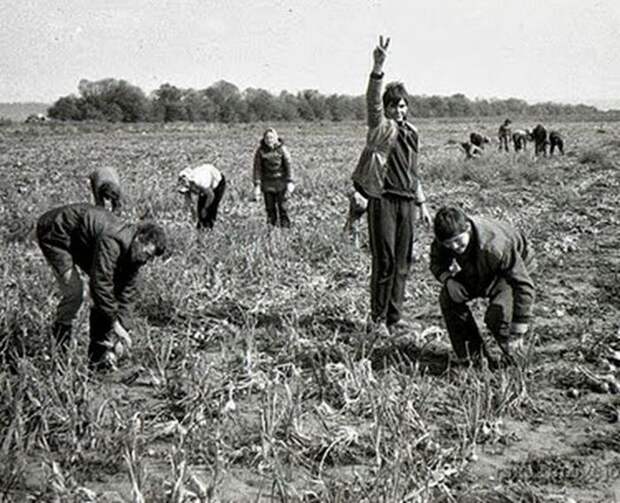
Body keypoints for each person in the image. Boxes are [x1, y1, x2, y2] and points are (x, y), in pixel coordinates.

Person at [351, 36, 432, 341]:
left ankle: (395, 318)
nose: (399, 110)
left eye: (402, 105)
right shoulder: (382, 128)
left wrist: (423, 204)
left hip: (407, 202)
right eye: (393, 106)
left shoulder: (413, 133)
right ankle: (377, 319)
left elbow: (414, 171)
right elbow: (371, 103)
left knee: (403, 261)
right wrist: (378, 67)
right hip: (383, 199)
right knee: (384, 260)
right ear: (386, 109)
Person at [36, 203, 167, 369]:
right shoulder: (112, 241)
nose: (146, 261)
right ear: (139, 239)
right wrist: (115, 326)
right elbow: (100, 285)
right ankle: (59, 352)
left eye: (150, 258)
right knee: (76, 292)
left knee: (105, 299)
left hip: (81, 241)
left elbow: (127, 293)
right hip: (55, 232)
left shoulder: (135, 254)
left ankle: (97, 360)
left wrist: (123, 330)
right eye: (147, 254)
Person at [429, 206, 535, 365]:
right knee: (448, 297)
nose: (455, 248)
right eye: (449, 244)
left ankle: (517, 359)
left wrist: (518, 331)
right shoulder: (444, 238)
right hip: (478, 267)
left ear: (468, 228)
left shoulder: (495, 246)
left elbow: (523, 286)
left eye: (458, 241)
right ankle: (473, 358)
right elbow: (437, 263)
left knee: (497, 316)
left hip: (510, 271)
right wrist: (448, 280)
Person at [253, 128, 294, 228]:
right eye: (267, 138)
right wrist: (257, 185)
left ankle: (285, 230)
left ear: (276, 138)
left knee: (283, 208)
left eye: (271, 137)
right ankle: (272, 230)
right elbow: (257, 169)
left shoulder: (282, 149)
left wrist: (290, 182)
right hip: (267, 184)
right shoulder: (260, 151)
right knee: (270, 209)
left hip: (281, 183)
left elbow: (289, 166)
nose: (269, 140)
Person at [178, 163, 226, 230]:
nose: (190, 191)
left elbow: (211, 195)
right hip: (205, 178)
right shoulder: (186, 180)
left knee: (211, 207)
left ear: (192, 184)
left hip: (217, 182)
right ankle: (200, 228)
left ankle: (209, 228)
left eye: (190, 189)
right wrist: (193, 213)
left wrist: (205, 208)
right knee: (200, 209)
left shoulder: (201, 182)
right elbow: (189, 200)